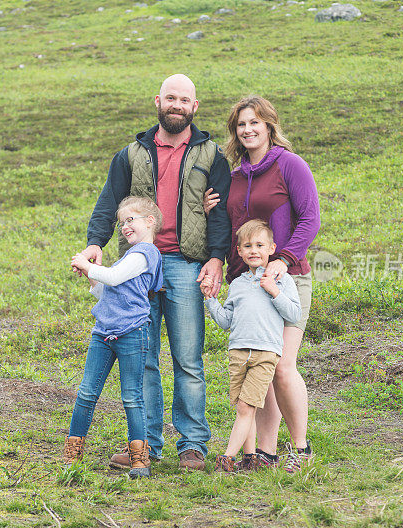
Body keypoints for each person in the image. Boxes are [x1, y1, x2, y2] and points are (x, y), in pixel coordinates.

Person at [78, 74, 232, 471]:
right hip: (138, 265)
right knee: (142, 358)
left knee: (188, 358)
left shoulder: (212, 155)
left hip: (185, 263)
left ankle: (193, 444)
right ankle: (145, 445)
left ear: (195, 107)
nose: (177, 105)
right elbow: (108, 202)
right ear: (158, 102)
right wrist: (96, 242)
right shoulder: (131, 154)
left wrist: (216, 258)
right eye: (170, 98)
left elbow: (222, 215)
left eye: (184, 99)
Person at [203, 96, 320, 473]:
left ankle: (300, 449)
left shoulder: (290, 165)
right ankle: (265, 454)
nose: (248, 130)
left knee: (283, 367)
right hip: (245, 285)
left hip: (288, 278)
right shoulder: (234, 177)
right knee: (262, 369)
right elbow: (228, 224)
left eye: (255, 122)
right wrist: (211, 210)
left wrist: (282, 260)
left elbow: (310, 219)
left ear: (269, 125)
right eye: (241, 124)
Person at [65, 196, 164, 478]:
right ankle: (73, 453)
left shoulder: (146, 253)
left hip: (133, 333)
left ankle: (140, 460)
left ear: (150, 221)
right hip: (104, 332)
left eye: (130, 219)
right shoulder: (129, 255)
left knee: (132, 396)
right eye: (122, 223)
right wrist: (91, 277)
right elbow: (108, 289)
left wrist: (86, 264)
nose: (125, 227)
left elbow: (116, 277)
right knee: (86, 392)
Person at [202, 219, 300, 473]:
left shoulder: (281, 279)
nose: (254, 250)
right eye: (247, 246)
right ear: (239, 251)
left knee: (247, 406)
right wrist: (210, 299)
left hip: (265, 352)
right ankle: (250, 458)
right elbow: (226, 322)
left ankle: (227, 457)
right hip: (238, 352)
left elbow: (294, 314)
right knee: (243, 407)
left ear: (271, 248)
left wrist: (274, 291)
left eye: (259, 245)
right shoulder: (238, 284)